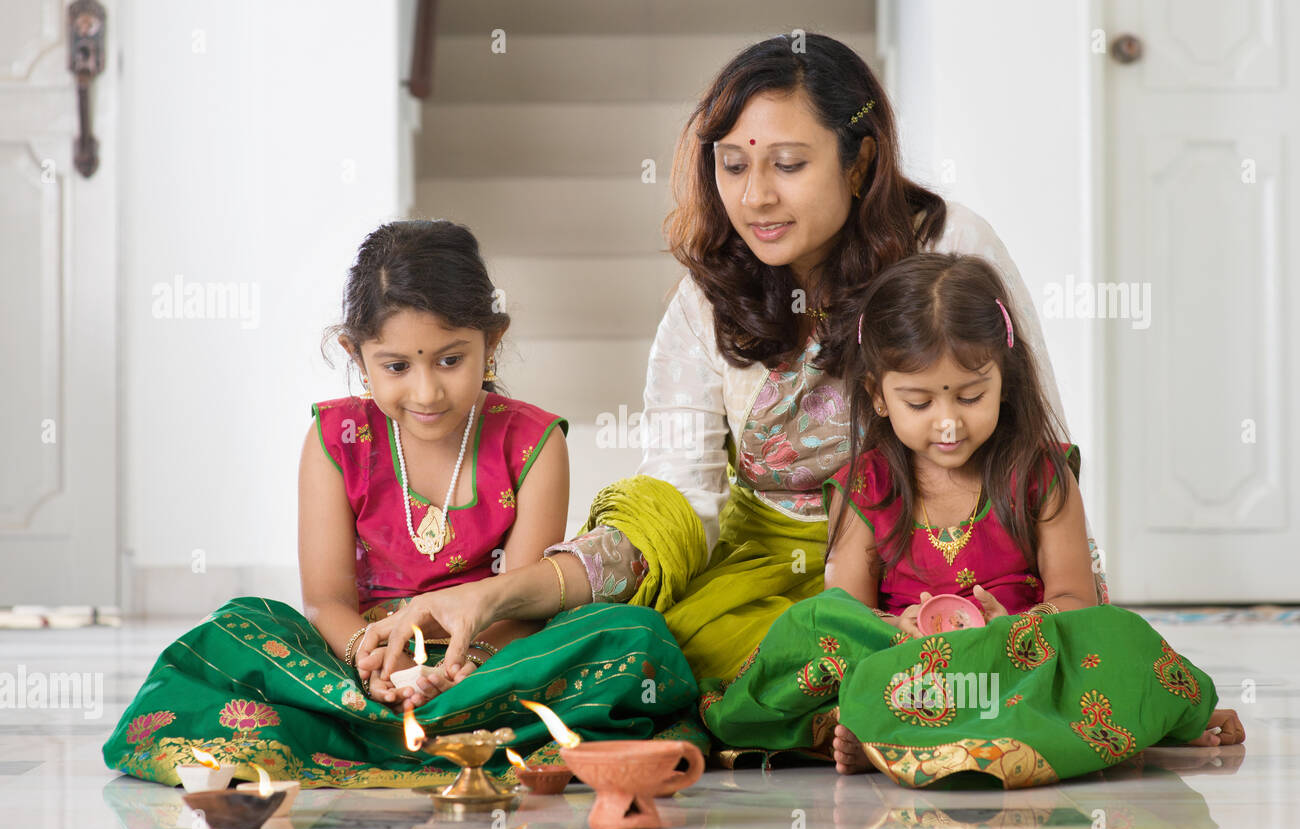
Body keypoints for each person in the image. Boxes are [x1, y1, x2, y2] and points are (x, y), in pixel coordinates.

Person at [370, 34, 1104, 760]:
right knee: (647, 652)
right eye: (732, 164)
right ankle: (879, 710)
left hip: (945, 578)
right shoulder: (708, 300)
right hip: (772, 593)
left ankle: (878, 705)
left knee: (988, 652)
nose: (755, 196)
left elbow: (1034, 439)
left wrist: (1073, 625)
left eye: (788, 163)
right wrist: (498, 595)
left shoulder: (950, 249)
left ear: (862, 162)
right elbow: (678, 507)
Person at [102, 220, 699, 789]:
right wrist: (372, 658)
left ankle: (366, 735)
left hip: (491, 663)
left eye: (450, 358)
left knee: (631, 634)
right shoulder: (335, 440)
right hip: (362, 663)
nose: (426, 391)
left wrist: (457, 668)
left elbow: (520, 602)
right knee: (237, 628)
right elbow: (327, 601)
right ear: (355, 355)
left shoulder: (534, 444)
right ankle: (435, 730)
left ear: (492, 343)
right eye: (396, 366)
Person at [699, 253, 1244, 787]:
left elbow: (1078, 601)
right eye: (919, 402)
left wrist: (1006, 623)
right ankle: (911, 728)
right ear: (878, 396)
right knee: (812, 627)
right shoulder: (863, 486)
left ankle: (888, 736)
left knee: (1119, 635)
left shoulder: (1040, 473)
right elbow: (848, 611)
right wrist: (900, 630)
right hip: (907, 668)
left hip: (1016, 667)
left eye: (971, 395)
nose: (949, 423)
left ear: (1003, 382)